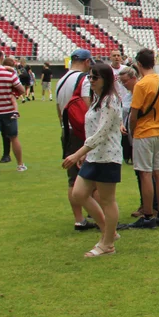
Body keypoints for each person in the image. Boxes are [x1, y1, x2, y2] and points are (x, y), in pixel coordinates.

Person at [62, 62, 123, 257]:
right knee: (79, 193)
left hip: (108, 156)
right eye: (89, 77)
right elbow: (92, 130)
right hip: (94, 155)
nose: (91, 80)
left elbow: (102, 133)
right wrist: (86, 153)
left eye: (95, 77)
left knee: (107, 200)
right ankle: (108, 231)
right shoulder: (98, 99)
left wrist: (77, 153)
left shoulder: (110, 101)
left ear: (106, 79)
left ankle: (107, 244)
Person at [127, 48, 159, 229]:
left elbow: (134, 114)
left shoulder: (141, 84)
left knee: (145, 174)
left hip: (144, 133)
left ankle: (147, 215)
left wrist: (132, 131)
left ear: (138, 64)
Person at [57, 49, 97, 230]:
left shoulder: (61, 80)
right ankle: (95, 214)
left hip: (67, 129)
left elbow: (59, 109)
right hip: (82, 132)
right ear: (87, 62)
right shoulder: (84, 80)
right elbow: (88, 107)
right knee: (93, 174)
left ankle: (79, 217)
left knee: (72, 176)